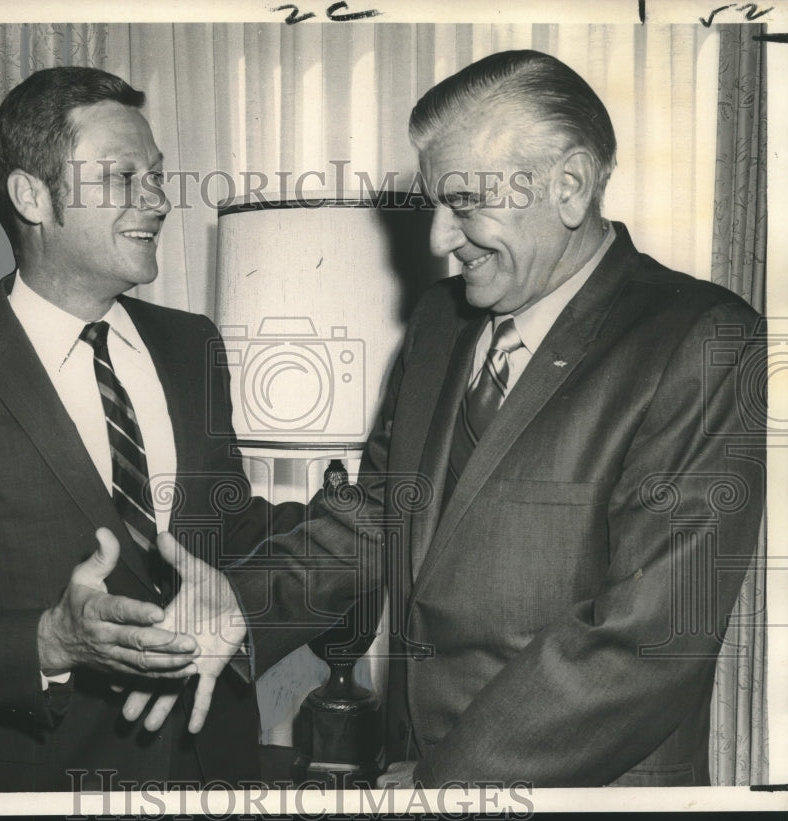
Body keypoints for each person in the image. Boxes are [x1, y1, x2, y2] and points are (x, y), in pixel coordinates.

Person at [154, 49, 766, 788]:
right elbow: (373, 516)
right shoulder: (441, 324)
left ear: (569, 186)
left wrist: (445, 781)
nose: (440, 239)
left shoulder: (701, 339)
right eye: (436, 204)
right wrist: (245, 603)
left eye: (466, 203)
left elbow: (651, 639)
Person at [0, 66, 302, 791]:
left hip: (218, 770)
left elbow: (232, 528)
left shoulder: (194, 347)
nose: (158, 200)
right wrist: (49, 639)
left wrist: (346, 537)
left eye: (157, 176)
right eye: (124, 177)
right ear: (33, 196)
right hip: (43, 783)